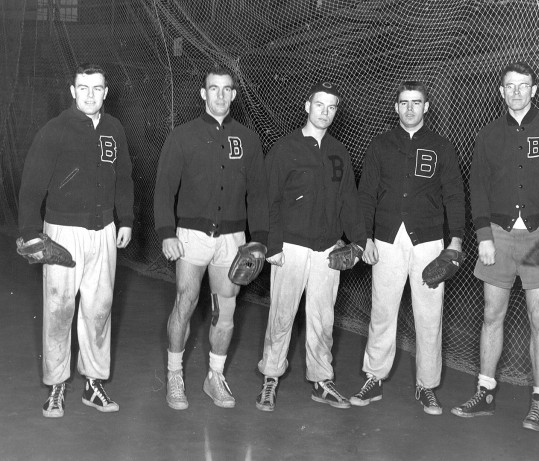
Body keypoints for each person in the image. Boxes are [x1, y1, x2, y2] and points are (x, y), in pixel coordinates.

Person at [451, 62, 539, 432]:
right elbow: (477, 187)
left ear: (534, 90)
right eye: (510, 86)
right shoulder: (488, 134)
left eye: (524, 86)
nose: (517, 92)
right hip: (499, 235)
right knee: (492, 314)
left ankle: (538, 399)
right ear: (501, 91)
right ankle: (485, 392)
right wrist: (484, 237)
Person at [18, 63, 134, 418]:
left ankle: (94, 383)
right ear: (72, 91)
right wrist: (28, 234)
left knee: (99, 309)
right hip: (62, 233)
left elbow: (125, 178)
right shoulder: (54, 131)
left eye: (96, 88)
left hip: (104, 231)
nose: (89, 94)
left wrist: (125, 219)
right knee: (59, 309)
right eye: (83, 87)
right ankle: (56, 386)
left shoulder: (114, 129)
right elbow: (31, 186)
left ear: (106, 92)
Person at [154, 66, 268, 410]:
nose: (220, 95)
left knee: (226, 310)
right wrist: (165, 232)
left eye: (226, 89)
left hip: (232, 239)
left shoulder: (248, 139)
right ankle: (175, 374)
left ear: (234, 94)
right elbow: (163, 189)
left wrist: (259, 240)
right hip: (192, 236)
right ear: (203, 94)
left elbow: (258, 194)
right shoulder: (182, 135)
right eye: (213, 88)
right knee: (185, 303)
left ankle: (214, 376)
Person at [349, 81, 465, 415]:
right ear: (396, 107)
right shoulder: (380, 145)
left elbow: (454, 196)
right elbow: (366, 193)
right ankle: (374, 377)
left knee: (429, 314)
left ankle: (426, 385)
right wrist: (364, 237)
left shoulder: (442, 146)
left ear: (426, 107)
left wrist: (455, 240)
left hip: (429, 241)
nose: (410, 108)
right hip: (386, 239)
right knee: (382, 311)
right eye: (404, 102)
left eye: (416, 102)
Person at [255, 82, 367, 412]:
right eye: (320, 105)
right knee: (281, 315)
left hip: (327, 250)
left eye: (332, 107)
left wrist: (358, 242)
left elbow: (349, 199)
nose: (325, 112)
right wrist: (271, 243)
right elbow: (268, 198)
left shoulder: (339, 151)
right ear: (307, 106)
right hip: (289, 247)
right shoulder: (284, 147)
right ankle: (270, 378)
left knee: (323, 318)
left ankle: (321, 380)